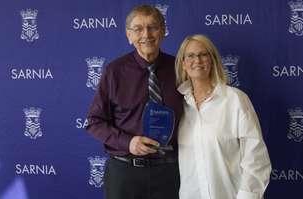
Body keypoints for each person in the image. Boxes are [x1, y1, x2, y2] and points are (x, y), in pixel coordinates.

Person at [86, 4, 183, 199]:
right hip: (125, 172)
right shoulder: (114, 72)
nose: (146, 34)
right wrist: (128, 142)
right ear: (129, 36)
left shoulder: (180, 68)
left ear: (163, 31)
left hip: (171, 172)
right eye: (138, 29)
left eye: (153, 27)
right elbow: (94, 122)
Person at [175, 34, 272, 199]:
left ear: (212, 60)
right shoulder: (178, 105)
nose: (197, 60)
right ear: (183, 64)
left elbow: (255, 157)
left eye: (203, 54)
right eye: (190, 55)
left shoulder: (235, 99)